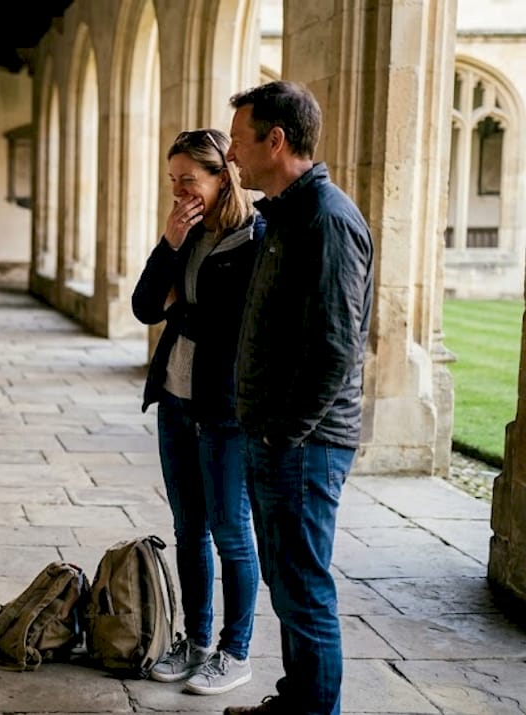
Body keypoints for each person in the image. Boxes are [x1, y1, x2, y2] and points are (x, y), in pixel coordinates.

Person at [222, 81, 374, 715]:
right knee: (285, 583)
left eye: (237, 140)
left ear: (275, 141)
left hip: (304, 445)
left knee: (304, 588)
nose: (231, 156)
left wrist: (282, 432)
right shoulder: (284, 214)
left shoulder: (327, 218)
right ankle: (298, 699)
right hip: (277, 437)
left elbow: (337, 349)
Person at [132, 128, 264, 697]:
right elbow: (143, 308)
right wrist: (169, 243)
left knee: (230, 531)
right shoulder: (186, 235)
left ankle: (236, 652)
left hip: (226, 407)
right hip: (177, 399)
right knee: (188, 530)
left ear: (221, 176)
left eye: (190, 178)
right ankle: (197, 640)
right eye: (173, 180)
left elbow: (250, 328)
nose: (180, 190)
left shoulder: (256, 237)